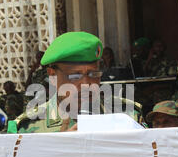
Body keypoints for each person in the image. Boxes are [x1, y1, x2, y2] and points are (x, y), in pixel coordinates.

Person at [11, 32, 145, 134]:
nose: (86, 84)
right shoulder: (26, 127)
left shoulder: (126, 116)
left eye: (93, 74)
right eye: (75, 76)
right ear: (52, 76)